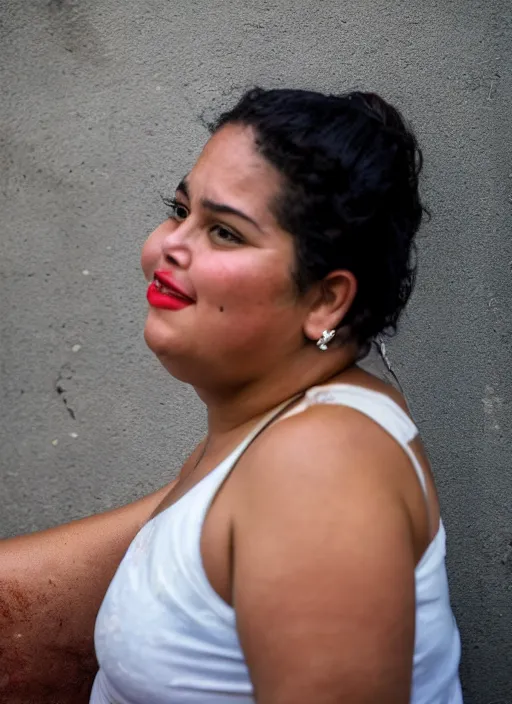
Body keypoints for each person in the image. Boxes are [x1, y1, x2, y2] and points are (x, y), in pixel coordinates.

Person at [0, 88, 462, 704]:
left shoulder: (319, 467)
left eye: (223, 232)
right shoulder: (268, 433)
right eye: (178, 209)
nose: (169, 244)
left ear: (326, 300)